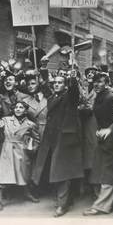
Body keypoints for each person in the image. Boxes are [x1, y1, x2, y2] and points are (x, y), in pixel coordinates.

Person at [32, 70, 84, 217]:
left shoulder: (69, 96)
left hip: (64, 139)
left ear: (65, 85)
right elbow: (44, 87)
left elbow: (74, 92)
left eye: (60, 82)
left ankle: (62, 205)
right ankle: (64, 200)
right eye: (55, 82)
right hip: (51, 139)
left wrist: (72, 78)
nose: (56, 84)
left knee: (62, 172)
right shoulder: (52, 97)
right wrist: (42, 69)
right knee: (53, 170)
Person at [83, 72, 113, 216]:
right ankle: (102, 201)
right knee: (100, 170)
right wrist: (99, 130)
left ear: (107, 83)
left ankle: (102, 206)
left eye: (100, 82)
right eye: (95, 81)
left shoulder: (112, 96)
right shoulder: (99, 96)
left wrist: (109, 129)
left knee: (108, 172)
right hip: (103, 140)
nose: (96, 84)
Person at [0, 101, 40, 211]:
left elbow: (37, 138)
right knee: (3, 174)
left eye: (21, 107)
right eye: (16, 107)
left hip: (22, 150)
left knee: (25, 173)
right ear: (13, 109)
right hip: (8, 149)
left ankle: (27, 193)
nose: (18, 109)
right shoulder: (6, 120)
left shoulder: (30, 124)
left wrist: (33, 148)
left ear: (25, 110)